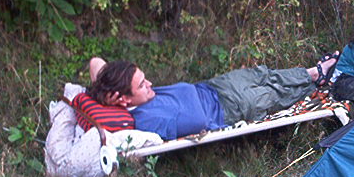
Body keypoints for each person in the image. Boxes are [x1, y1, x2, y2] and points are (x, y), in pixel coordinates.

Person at [74, 54, 339, 140]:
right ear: (124, 100)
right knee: (275, 93)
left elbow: (95, 61)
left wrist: (102, 89)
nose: (151, 84)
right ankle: (320, 83)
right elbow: (196, 121)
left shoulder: (122, 95)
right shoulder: (145, 122)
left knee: (264, 74)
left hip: (214, 87)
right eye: (143, 85)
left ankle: (314, 72)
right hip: (230, 109)